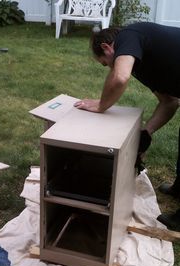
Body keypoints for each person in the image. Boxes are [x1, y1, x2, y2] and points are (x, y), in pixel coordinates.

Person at [74, 22, 180, 231]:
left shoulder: (129, 35)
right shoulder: (142, 61)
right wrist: (146, 132)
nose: (110, 68)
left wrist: (101, 105)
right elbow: (170, 101)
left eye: (106, 64)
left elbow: (120, 77)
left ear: (107, 47)